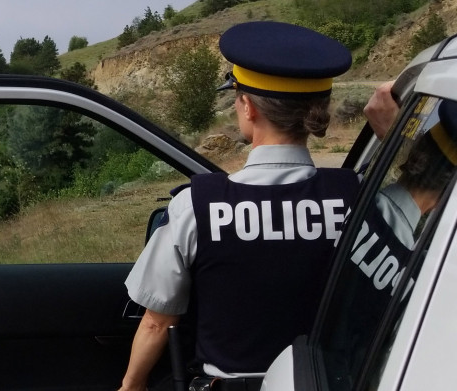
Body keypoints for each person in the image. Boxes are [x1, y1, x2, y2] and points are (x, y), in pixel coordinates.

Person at [118, 21, 355, 391]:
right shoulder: (357, 198)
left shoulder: (195, 206)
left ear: (247, 106)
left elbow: (156, 322)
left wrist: (131, 385)